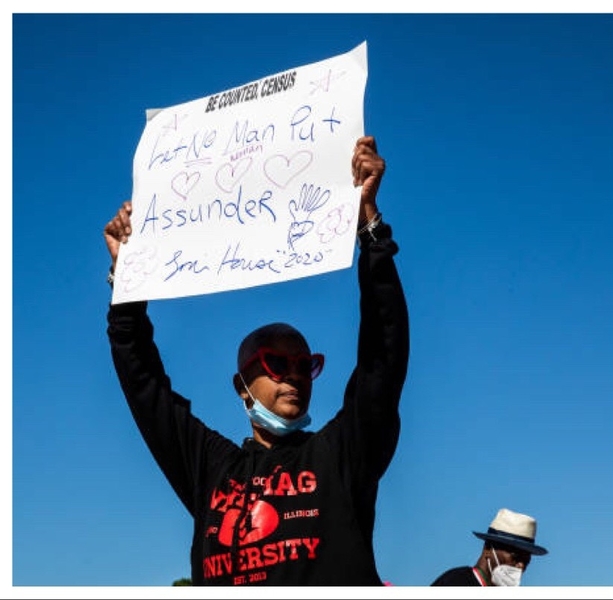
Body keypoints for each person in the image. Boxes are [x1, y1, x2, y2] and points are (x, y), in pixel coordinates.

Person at [105, 137, 410, 585]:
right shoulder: (210, 468)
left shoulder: (342, 455)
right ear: (240, 385)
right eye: (275, 363)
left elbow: (383, 357)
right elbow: (143, 384)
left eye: (306, 365)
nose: (294, 375)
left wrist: (371, 230)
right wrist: (127, 282)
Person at [431, 508, 548, 586]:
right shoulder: (455, 583)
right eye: (515, 558)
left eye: (526, 561)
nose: (521, 566)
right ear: (488, 549)